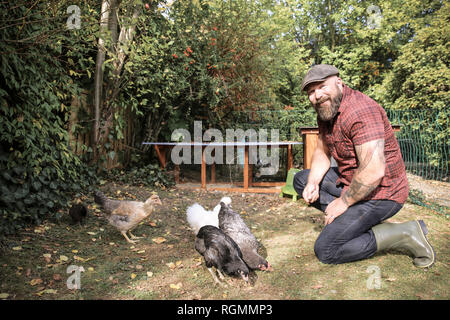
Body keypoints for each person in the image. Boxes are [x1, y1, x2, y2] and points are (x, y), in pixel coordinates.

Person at [293, 64, 435, 268]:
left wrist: (343, 203)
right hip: (354, 181)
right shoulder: (327, 110)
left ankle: (405, 233)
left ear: (339, 82)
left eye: (322, 86)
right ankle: (355, 221)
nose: (317, 95)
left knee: (326, 250)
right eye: (311, 92)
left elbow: (373, 171)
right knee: (302, 180)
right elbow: (322, 151)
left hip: (383, 193)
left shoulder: (361, 111)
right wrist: (313, 182)